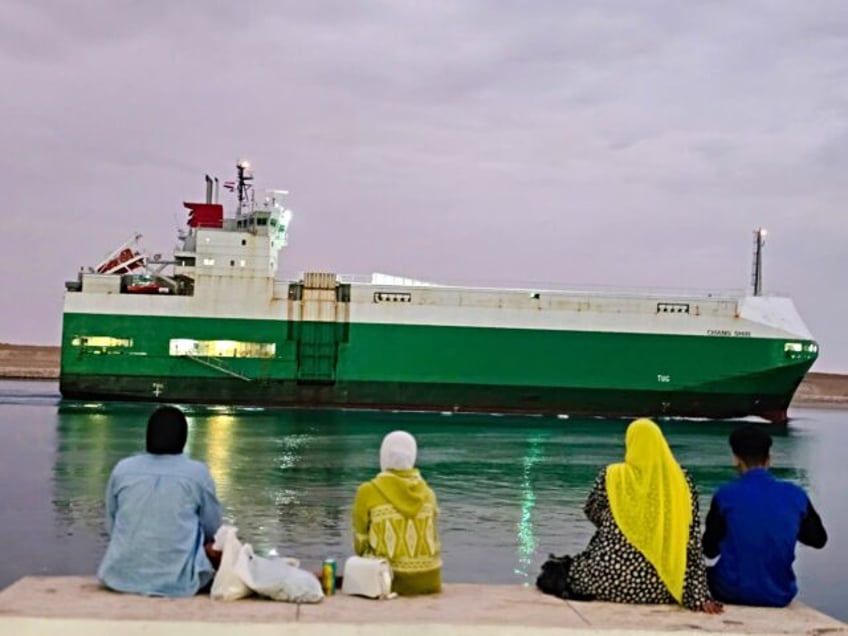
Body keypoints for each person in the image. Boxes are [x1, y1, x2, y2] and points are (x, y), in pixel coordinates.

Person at [541, 418, 722, 613]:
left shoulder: (612, 475)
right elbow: (691, 541)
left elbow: (591, 510)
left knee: (558, 570)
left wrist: (622, 521)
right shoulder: (682, 482)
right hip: (664, 587)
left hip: (605, 580)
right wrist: (699, 596)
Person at [97, 405, 223, 597]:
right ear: (183, 438)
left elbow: (113, 524)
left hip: (119, 578)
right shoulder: (198, 473)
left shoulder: (122, 469)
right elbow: (212, 529)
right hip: (180, 583)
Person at [702, 424, 827, 607]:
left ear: (736, 459)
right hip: (779, 594)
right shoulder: (796, 495)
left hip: (729, 591)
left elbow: (709, 550)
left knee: (699, 574)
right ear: (770, 459)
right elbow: (818, 540)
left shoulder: (724, 495)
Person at [352, 430, 442, 595]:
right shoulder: (429, 493)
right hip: (429, 579)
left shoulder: (368, 491)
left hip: (386, 581)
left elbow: (360, 543)